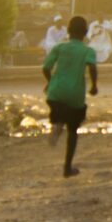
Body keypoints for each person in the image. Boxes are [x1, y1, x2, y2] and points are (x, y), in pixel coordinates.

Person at [42, 16, 98, 178]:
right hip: (75, 95)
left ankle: (57, 123)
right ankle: (67, 168)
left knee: (58, 110)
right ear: (85, 33)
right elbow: (92, 67)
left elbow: (45, 67)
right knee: (73, 130)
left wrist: (51, 82)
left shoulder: (59, 47)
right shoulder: (88, 51)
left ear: (68, 31)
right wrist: (94, 85)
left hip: (55, 93)